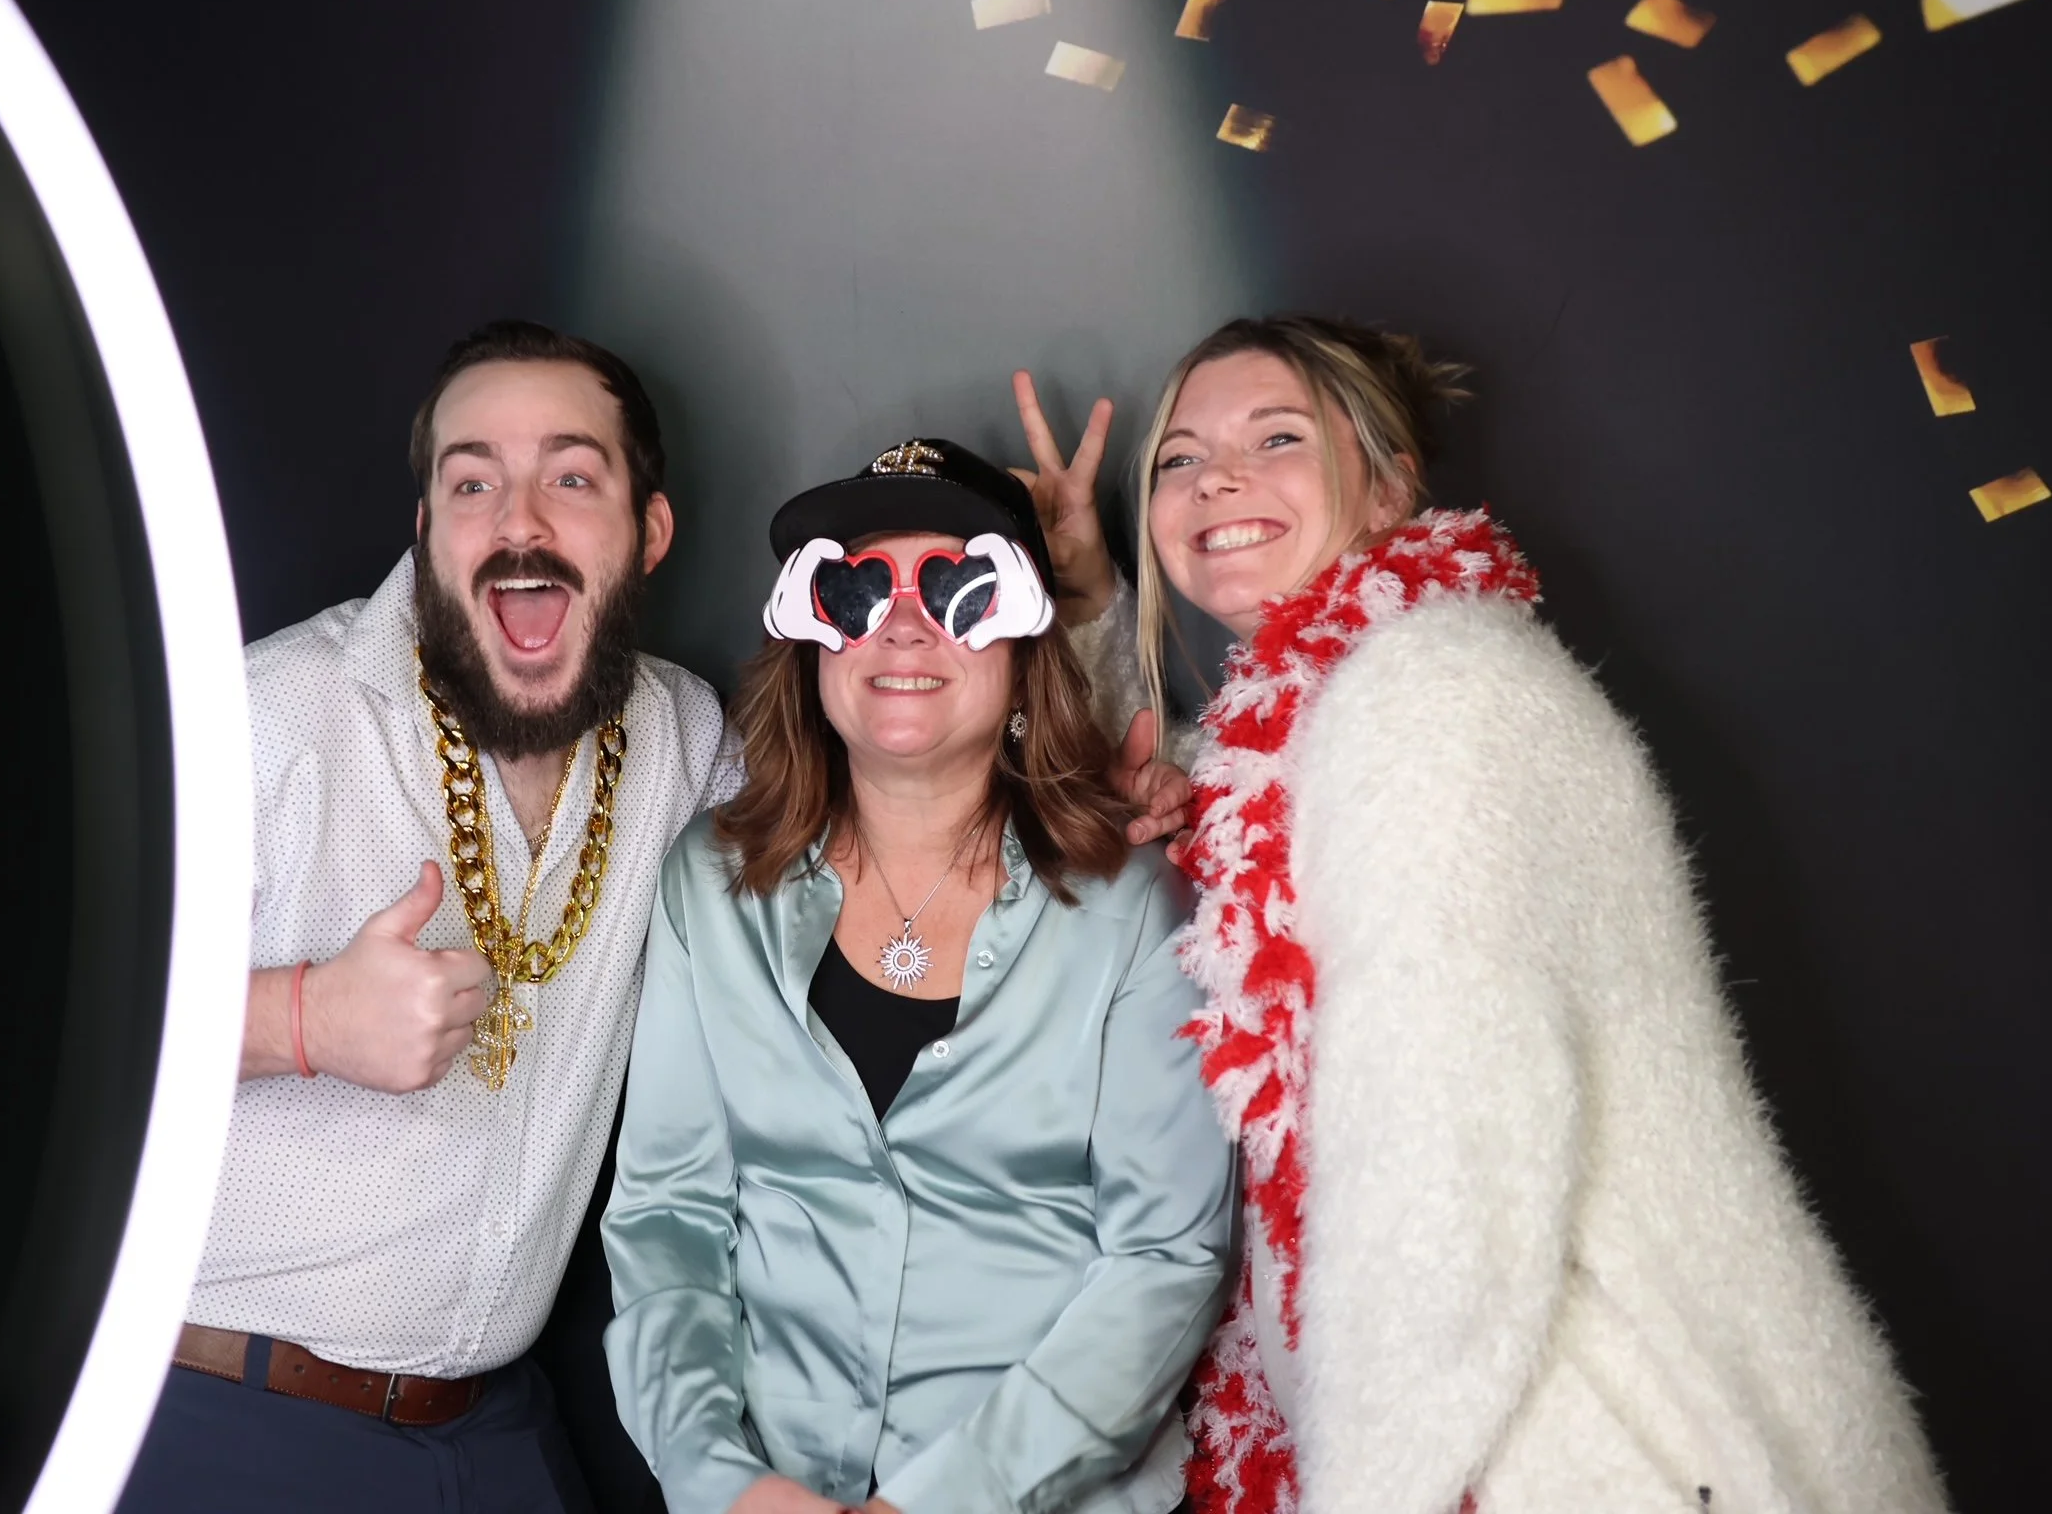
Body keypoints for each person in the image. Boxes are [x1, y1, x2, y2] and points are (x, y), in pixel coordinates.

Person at [1015, 317, 1950, 1514]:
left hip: (1586, 1444)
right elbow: (1199, 800)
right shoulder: (1347, 707)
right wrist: (1088, 602)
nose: (1218, 480)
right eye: (1180, 458)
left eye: (1277, 437)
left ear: (1390, 482)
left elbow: (1448, 1168)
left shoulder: (1437, 699)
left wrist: (1373, 1492)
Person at [119, 319, 741, 1512]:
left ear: (650, 532)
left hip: (493, 1435)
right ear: (426, 528)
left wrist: (1085, 659)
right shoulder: (268, 719)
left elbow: (883, 815)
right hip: (223, 1416)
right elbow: (33, 1028)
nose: (520, 522)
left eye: (572, 478)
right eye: (472, 483)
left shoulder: (682, 737)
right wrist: (300, 1018)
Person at [601, 440, 1237, 1514]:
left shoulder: (1134, 905)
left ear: (1026, 650)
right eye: (855, 591)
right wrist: (722, 1482)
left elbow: (1165, 1260)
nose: (902, 625)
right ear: (812, 644)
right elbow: (669, 1219)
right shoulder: (709, 887)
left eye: (958, 588)